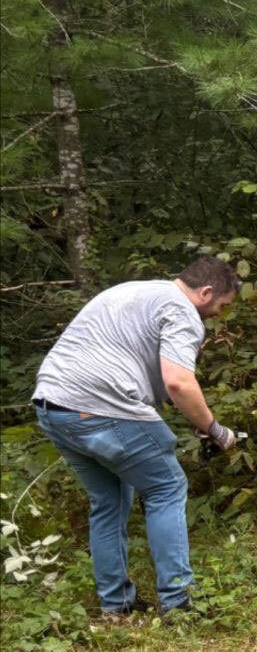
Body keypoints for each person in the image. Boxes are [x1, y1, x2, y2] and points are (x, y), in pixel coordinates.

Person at [31, 256, 242, 622]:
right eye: (221, 307)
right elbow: (178, 381)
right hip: (102, 408)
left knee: (109, 500)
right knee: (166, 488)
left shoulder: (133, 291)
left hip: (53, 406)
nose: (219, 316)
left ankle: (116, 607)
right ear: (206, 292)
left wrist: (194, 417)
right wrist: (214, 429)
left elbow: (138, 368)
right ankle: (179, 604)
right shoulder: (182, 311)